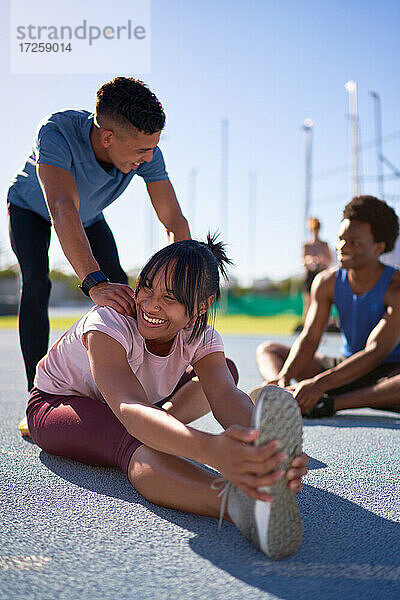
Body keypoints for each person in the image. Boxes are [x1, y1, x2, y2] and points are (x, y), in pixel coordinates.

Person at [25, 236, 308, 560]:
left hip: (134, 402)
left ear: (203, 305)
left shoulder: (202, 335)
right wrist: (210, 448)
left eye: (169, 298)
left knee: (224, 371)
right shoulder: (108, 321)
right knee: (135, 439)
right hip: (59, 405)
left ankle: (181, 432)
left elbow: (224, 394)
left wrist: (266, 453)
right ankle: (238, 504)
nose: (150, 304)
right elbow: (129, 409)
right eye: (145, 287)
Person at [7, 76, 190, 391]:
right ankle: (37, 392)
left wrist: (187, 282)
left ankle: (137, 383)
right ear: (107, 137)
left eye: (153, 149)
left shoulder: (147, 152)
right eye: (142, 151)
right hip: (30, 210)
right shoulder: (56, 131)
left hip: (88, 217)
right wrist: (93, 281)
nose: (149, 158)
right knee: (36, 282)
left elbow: (173, 219)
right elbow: (63, 207)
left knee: (123, 290)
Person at [252, 196, 400, 418]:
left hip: (387, 372)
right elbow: (310, 339)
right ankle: (282, 393)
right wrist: (285, 375)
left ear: (379, 247)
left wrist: (319, 386)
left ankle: (330, 404)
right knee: (269, 350)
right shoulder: (326, 282)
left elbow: (375, 352)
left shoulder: (395, 288)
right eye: (341, 239)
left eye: (354, 243)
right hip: (345, 367)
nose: (342, 247)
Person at [302, 217, 332, 318]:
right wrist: (309, 260)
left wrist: (322, 259)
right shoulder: (307, 245)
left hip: (322, 274)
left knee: (322, 300)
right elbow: (303, 261)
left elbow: (330, 260)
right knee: (308, 301)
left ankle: (324, 323)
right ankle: (305, 323)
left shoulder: (324, 245)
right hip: (310, 275)